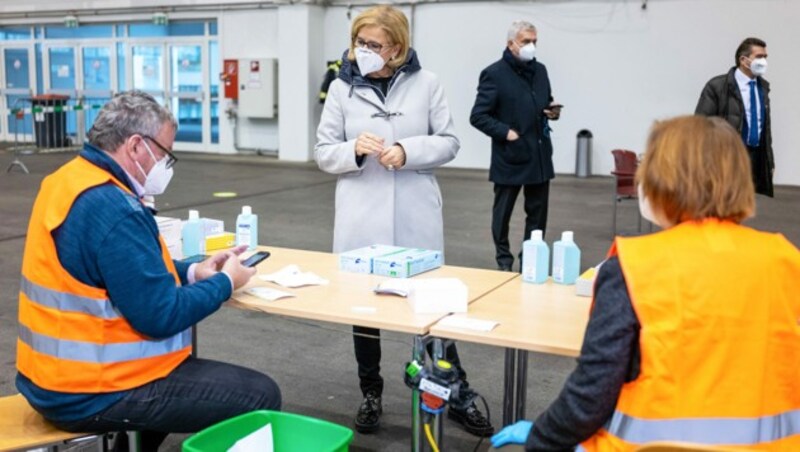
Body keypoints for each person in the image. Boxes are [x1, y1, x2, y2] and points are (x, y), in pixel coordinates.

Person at [490, 115, 800, 451]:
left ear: (660, 179)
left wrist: (542, 437)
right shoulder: (786, 259)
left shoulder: (634, 265)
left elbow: (592, 393)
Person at [16, 91, 281, 450]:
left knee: (188, 370)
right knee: (260, 396)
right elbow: (160, 315)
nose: (166, 166)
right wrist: (224, 282)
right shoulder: (113, 206)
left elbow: (123, 267)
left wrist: (193, 272)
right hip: (91, 391)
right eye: (165, 154)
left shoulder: (69, 180)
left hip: (47, 377)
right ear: (137, 146)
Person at [315, 5, 493, 437]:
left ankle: (453, 391)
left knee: (433, 310)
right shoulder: (342, 89)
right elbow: (323, 152)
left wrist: (408, 151)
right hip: (361, 216)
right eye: (359, 43)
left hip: (415, 212)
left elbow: (450, 142)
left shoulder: (427, 84)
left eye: (373, 45)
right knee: (365, 312)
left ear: (396, 47)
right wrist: (354, 147)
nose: (363, 52)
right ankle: (371, 391)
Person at [470, 20, 561, 272]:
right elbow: (478, 116)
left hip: (539, 155)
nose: (531, 46)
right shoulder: (494, 74)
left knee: (538, 214)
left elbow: (544, 100)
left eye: (534, 41)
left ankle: (530, 261)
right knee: (503, 213)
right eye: (525, 42)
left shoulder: (540, 71)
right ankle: (504, 260)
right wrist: (506, 133)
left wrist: (550, 111)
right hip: (511, 156)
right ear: (511, 44)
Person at [695, 37, 774, 197]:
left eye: (765, 57)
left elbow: (765, 127)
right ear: (744, 60)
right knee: (722, 200)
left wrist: (769, 160)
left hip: (755, 156)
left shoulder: (763, 88)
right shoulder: (717, 87)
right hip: (726, 157)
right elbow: (700, 126)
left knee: (745, 203)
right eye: (759, 57)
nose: (764, 61)